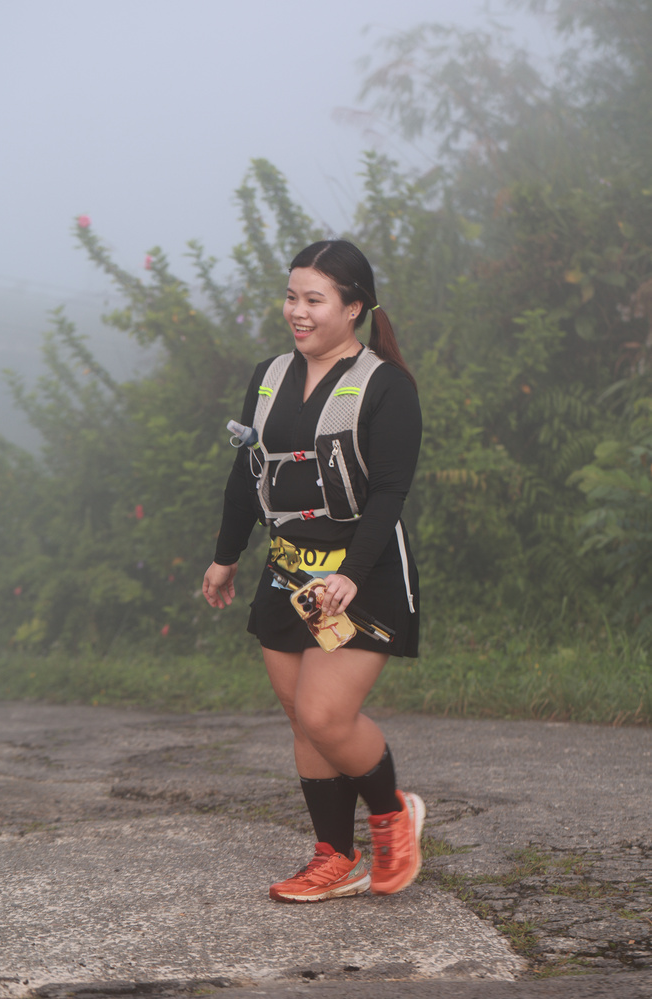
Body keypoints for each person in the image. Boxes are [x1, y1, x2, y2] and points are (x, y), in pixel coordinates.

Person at [203, 239, 424, 903]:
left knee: (326, 714)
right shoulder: (269, 376)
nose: (297, 311)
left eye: (314, 300)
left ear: (353, 307)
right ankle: (336, 855)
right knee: (301, 718)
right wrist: (225, 555)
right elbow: (247, 473)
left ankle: (392, 815)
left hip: (363, 572)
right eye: (291, 296)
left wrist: (352, 572)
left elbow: (389, 492)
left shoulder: (385, 385)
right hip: (289, 572)